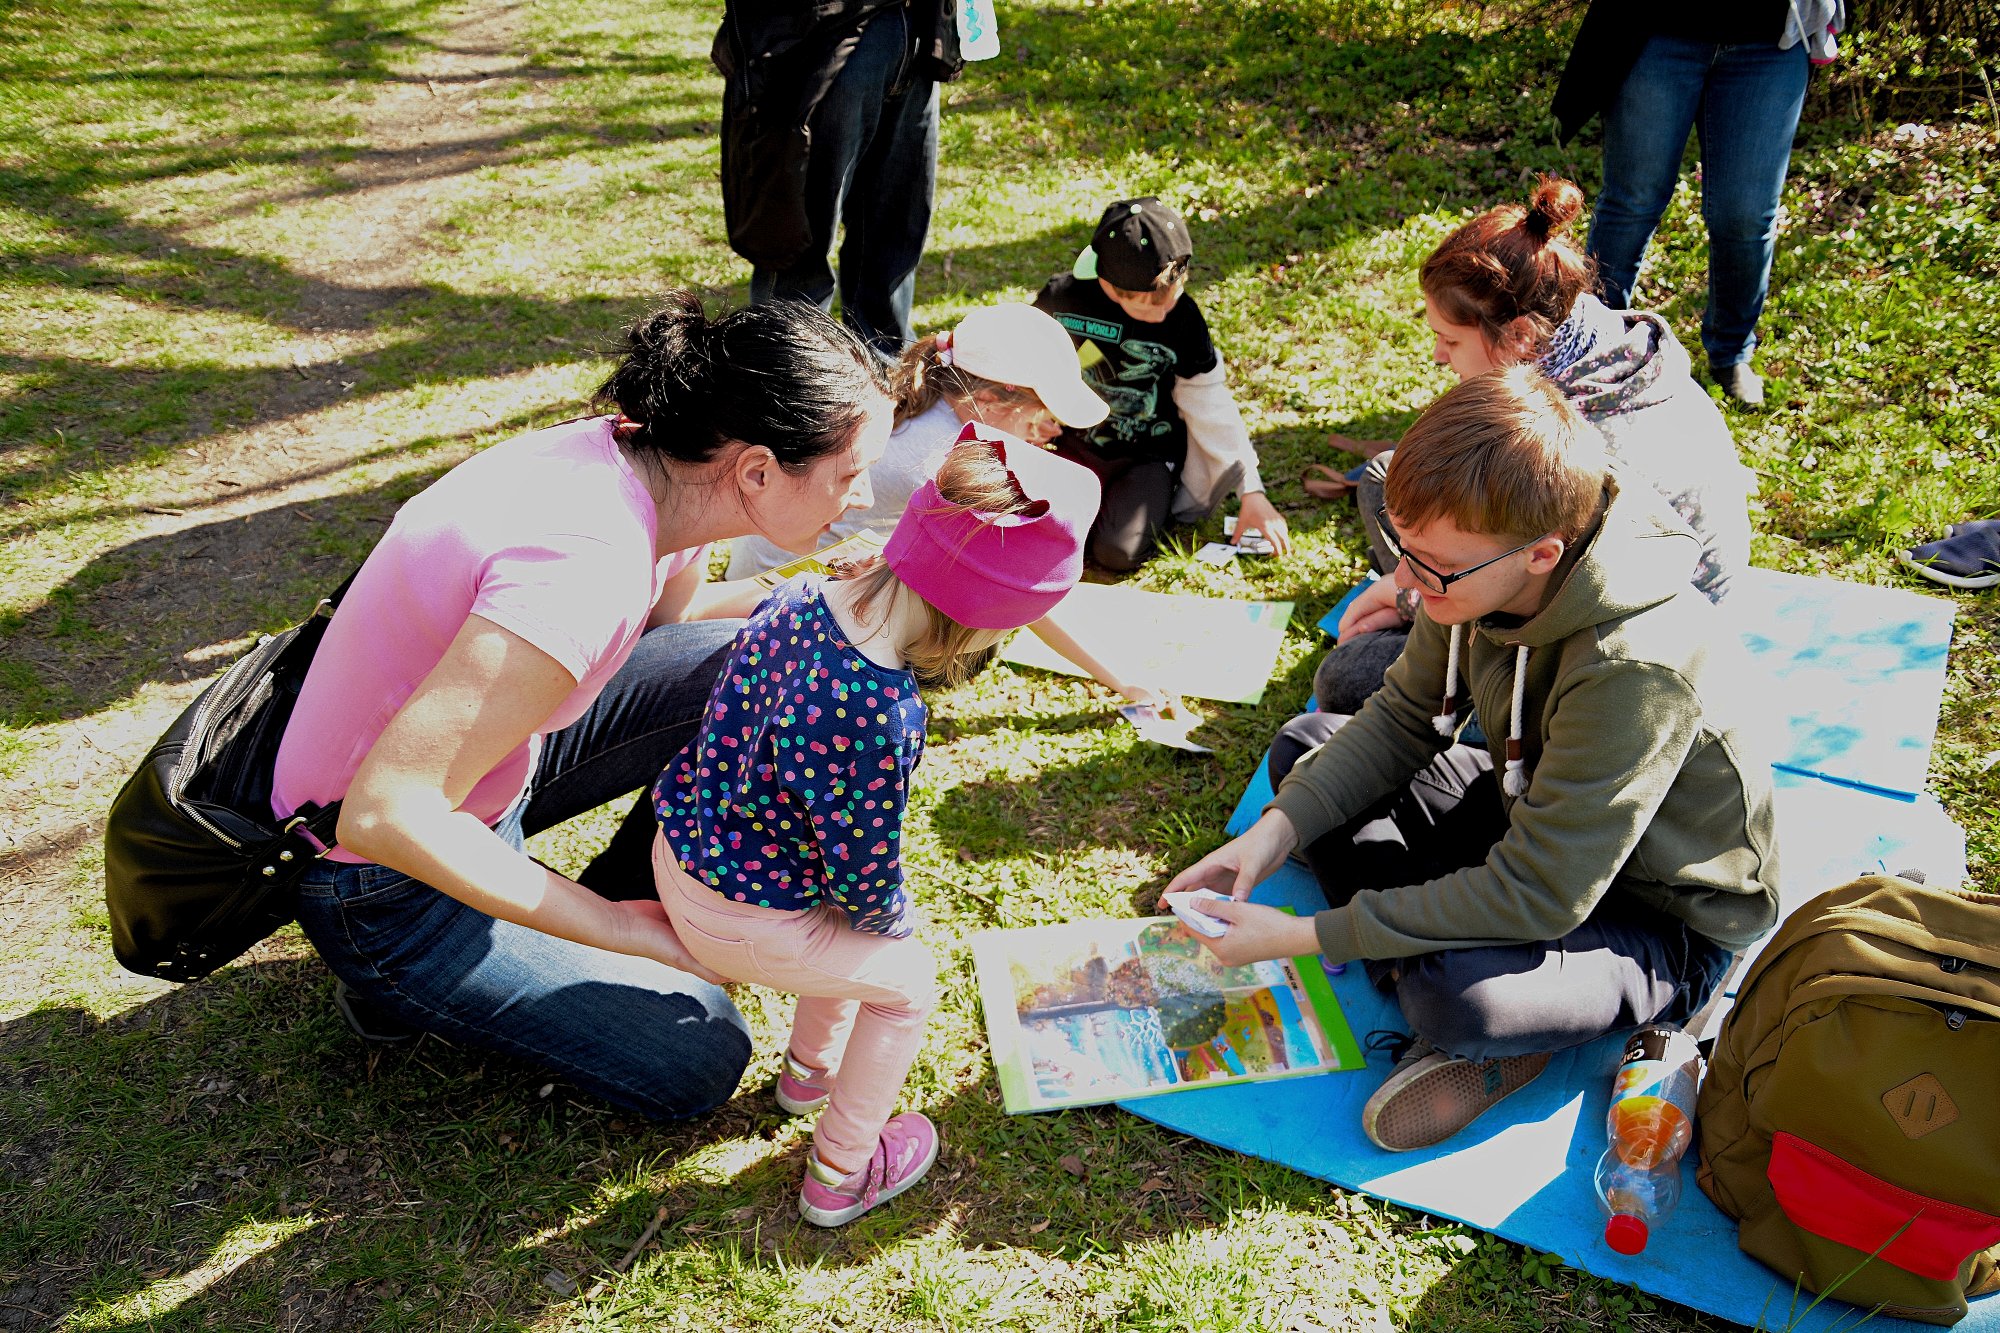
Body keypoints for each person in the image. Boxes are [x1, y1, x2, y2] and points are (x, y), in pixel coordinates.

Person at [272, 292, 894, 1120]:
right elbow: (385, 814)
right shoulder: (583, 569)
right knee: (702, 1051)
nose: (862, 497)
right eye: (850, 475)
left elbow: (672, 624)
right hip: (377, 878)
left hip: (474, 772)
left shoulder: (650, 455)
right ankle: (404, 984)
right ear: (755, 470)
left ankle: (606, 904)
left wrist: (811, 591)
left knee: (753, 657)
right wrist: (620, 929)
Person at [1165, 366, 1779, 1152]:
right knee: (1307, 750)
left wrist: (1313, 935)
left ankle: (1495, 1020)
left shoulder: (1634, 667)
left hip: (1662, 914)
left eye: (1429, 565)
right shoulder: (1473, 569)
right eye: (1404, 549)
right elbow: (1401, 718)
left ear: (1541, 554)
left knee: (1460, 998)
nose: (1406, 581)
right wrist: (1269, 837)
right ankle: (1437, 959)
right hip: (1536, 816)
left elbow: (1542, 892)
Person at [653, 426, 1099, 1224]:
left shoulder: (801, 597)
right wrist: (895, 921)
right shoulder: (878, 709)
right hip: (739, 915)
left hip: (685, 846)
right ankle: (840, 1172)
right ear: (977, 619)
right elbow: (862, 871)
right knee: (904, 981)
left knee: (846, 930)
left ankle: (808, 1076)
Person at [1315, 176, 1754, 714]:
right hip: (1545, 575)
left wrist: (1407, 599)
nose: (1438, 356)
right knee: (1383, 479)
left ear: (1520, 335)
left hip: (1621, 653)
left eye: (1450, 340)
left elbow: (1543, 592)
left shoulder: (1571, 447)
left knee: (1344, 680)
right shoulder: (1586, 335)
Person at [727, 301, 1172, 709]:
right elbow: (1025, 591)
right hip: (786, 618)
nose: (1048, 433)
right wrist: (1123, 680)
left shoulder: (919, 391)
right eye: (1038, 420)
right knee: (977, 628)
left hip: (764, 583)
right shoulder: (943, 463)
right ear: (990, 401)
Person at [1552, 1, 1844, 406]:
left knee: (1745, 215)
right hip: (1658, 29)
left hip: (1770, 42)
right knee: (1632, 202)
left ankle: (1731, 352)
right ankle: (1595, 344)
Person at [1034, 197, 1289, 570]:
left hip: (1147, 457)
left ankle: (1137, 504)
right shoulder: (1062, 298)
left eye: (1172, 298)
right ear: (1108, 284)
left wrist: (1251, 489)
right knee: (1045, 532)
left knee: (1117, 553)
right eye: (1146, 306)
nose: (1162, 313)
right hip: (1073, 446)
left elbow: (1209, 402)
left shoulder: (1183, 319)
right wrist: (1036, 414)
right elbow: (1029, 365)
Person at [715, 0, 959, 356]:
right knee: (796, 248)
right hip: (819, 33)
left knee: (892, 241)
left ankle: (884, 372)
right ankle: (785, 375)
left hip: (916, 27)